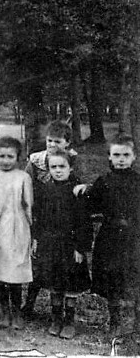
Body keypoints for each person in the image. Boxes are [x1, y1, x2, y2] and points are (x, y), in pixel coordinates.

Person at [22, 120, 86, 318]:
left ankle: (63, 315)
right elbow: (24, 183)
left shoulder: (72, 162)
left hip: (64, 216)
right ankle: (29, 305)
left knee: (57, 267)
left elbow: (80, 189)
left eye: (57, 142)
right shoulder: (36, 161)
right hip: (39, 213)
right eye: (49, 141)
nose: (51, 146)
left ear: (67, 143)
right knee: (38, 263)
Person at [32, 148, 91, 339]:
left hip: (70, 246)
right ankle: (56, 319)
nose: (58, 171)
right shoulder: (45, 190)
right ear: (48, 169)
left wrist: (80, 248)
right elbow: (39, 217)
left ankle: (69, 321)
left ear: (70, 167)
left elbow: (84, 222)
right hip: (50, 244)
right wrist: (36, 239)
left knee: (71, 284)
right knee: (54, 282)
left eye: (62, 166)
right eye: (53, 167)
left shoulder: (77, 191)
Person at [88, 135, 140, 335]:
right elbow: (92, 204)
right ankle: (115, 321)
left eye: (126, 155)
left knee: (135, 277)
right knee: (112, 278)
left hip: (134, 237)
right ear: (109, 157)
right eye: (116, 155)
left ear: (134, 157)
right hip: (110, 237)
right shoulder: (104, 181)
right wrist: (84, 190)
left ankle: (137, 322)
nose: (121, 159)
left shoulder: (138, 181)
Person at [0, 136, 33, 330]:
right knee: (0, 273)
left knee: (15, 272)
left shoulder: (23, 177)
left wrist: (31, 231)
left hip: (17, 227)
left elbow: (28, 205)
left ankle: (17, 312)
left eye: (10, 157)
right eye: (2, 156)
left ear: (18, 158)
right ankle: (5, 312)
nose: (5, 160)